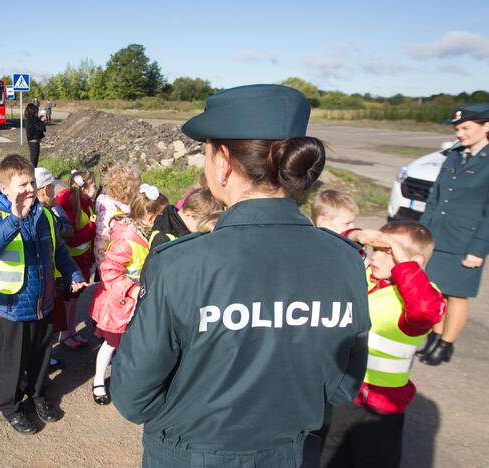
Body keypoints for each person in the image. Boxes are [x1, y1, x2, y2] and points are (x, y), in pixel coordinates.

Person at [110, 84, 371, 467]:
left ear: (224, 162)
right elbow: (343, 385)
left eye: (207, 151)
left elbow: (133, 395)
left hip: (188, 453)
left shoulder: (181, 263)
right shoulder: (345, 260)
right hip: (287, 455)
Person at [0, 155, 87, 435]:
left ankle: (37, 394)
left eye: (32, 183)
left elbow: (59, 251)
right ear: (5, 189)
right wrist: (15, 219)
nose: (28, 189)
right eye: (22, 183)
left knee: (40, 355)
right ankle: (10, 406)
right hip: (13, 306)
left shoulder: (44, 214)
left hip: (44, 301)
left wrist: (73, 275)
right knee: (13, 362)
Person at [321, 221, 445, 468]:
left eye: (387, 252)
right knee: (330, 457)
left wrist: (403, 262)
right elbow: (335, 250)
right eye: (375, 249)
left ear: (414, 262)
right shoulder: (367, 277)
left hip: (380, 409)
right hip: (344, 393)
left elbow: (425, 311)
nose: (376, 256)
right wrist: (358, 235)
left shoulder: (418, 297)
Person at [418, 103, 489, 365]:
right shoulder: (455, 155)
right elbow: (435, 198)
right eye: (458, 128)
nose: (460, 133)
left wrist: (478, 249)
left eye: (466, 128)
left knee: (457, 295)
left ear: (486, 127)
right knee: (438, 290)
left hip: (466, 240)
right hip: (439, 235)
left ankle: (446, 344)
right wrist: (424, 233)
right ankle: (435, 338)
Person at [90, 184, 167, 405]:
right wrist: (132, 290)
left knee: (129, 343)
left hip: (136, 299)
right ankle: (98, 381)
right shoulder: (127, 241)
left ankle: (126, 378)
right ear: (151, 217)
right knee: (111, 343)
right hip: (121, 301)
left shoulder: (147, 234)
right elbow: (108, 271)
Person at [34, 167, 74, 364]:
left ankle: (45, 356)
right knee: (43, 320)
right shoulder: (40, 212)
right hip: (46, 276)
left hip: (54, 273)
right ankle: (39, 360)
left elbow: (69, 230)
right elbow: (66, 230)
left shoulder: (53, 207)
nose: (55, 193)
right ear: (43, 190)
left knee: (51, 320)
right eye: (52, 188)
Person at [55, 169, 97, 348]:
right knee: (68, 300)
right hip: (73, 261)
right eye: (93, 184)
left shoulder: (86, 202)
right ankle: (65, 335)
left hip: (83, 259)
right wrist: (92, 225)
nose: (95, 187)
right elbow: (72, 239)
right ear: (83, 187)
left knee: (74, 300)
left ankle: (71, 331)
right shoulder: (68, 204)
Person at [94, 161, 141, 270]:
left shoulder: (127, 206)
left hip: (131, 256)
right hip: (116, 266)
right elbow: (100, 245)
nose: (139, 190)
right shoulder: (108, 214)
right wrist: (105, 270)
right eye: (137, 188)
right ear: (126, 190)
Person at [149, 187, 223, 248]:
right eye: (203, 224)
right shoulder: (163, 240)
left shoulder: (184, 230)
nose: (205, 231)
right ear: (188, 214)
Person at [24, 103, 46, 167]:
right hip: (34, 140)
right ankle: (32, 172)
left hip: (32, 140)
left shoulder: (29, 118)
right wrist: (42, 121)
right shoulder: (33, 118)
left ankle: (32, 171)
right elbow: (40, 128)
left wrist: (41, 121)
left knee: (34, 157)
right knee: (34, 158)